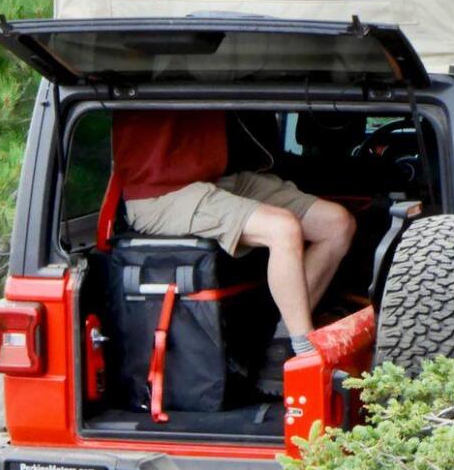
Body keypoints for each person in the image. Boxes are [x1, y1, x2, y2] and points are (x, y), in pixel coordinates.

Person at [112, 109, 356, 358]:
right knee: (282, 229)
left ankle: (282, 336)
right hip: (160, 193)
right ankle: (303, 352)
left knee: (336, 224)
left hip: (213, 179)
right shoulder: (168, 70)